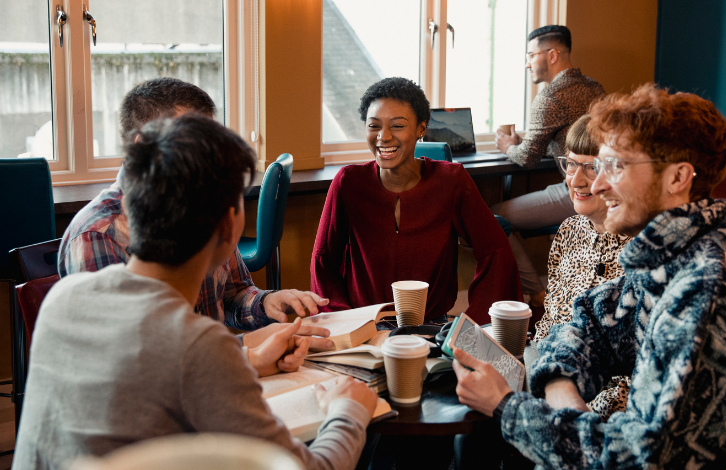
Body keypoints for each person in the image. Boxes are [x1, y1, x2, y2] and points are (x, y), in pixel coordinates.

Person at [12, 115, 377, 470]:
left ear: (128, 206)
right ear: (230, 225)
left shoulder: (63, 299)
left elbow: (147, 356)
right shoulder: (199, 347)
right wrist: (349, 410)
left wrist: (245, 354)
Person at [453, 84, 726, 468]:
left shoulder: (710, 289)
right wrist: (561, 390)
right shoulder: (667, 259)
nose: (596, 184)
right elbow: (588, 325)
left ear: (678, 178)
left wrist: (507, 407)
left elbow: (640, 459)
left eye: (614, 166)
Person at [58, 78, 328, 337]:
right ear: (143, 146)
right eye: (194, 140)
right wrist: (245, 353)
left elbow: (234, 294)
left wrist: (265, 303)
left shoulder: (205, 200)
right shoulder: (98, 234)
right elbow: (131, 360)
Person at [310, 77, 522, 325]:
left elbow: (495, 252)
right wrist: (342, 321)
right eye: (374, 126)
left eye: (397, 126)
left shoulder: (451, 180)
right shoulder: (348, 182)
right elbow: (323, 261)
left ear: (421, 129)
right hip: (363, 326)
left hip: (431, 325)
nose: (383, 136)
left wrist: (473, 324)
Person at [491, 25, 606, 311]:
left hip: (578, 190)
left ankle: (537, 293)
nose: (527, 62)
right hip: (605, 185)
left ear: (552, 54)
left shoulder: (549, 97)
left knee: (492, 218)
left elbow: (528, 157)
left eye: (531, 54)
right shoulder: (594, 87)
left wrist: (506, 145)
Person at [530, 114, 631, 421]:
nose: (576, 180)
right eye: (571, 164)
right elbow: (550, 319)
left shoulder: (641, 250)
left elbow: (633, 375)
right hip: (550, 370)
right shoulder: (570, 230)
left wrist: (581, 415)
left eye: (592, 167)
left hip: (601, 403)